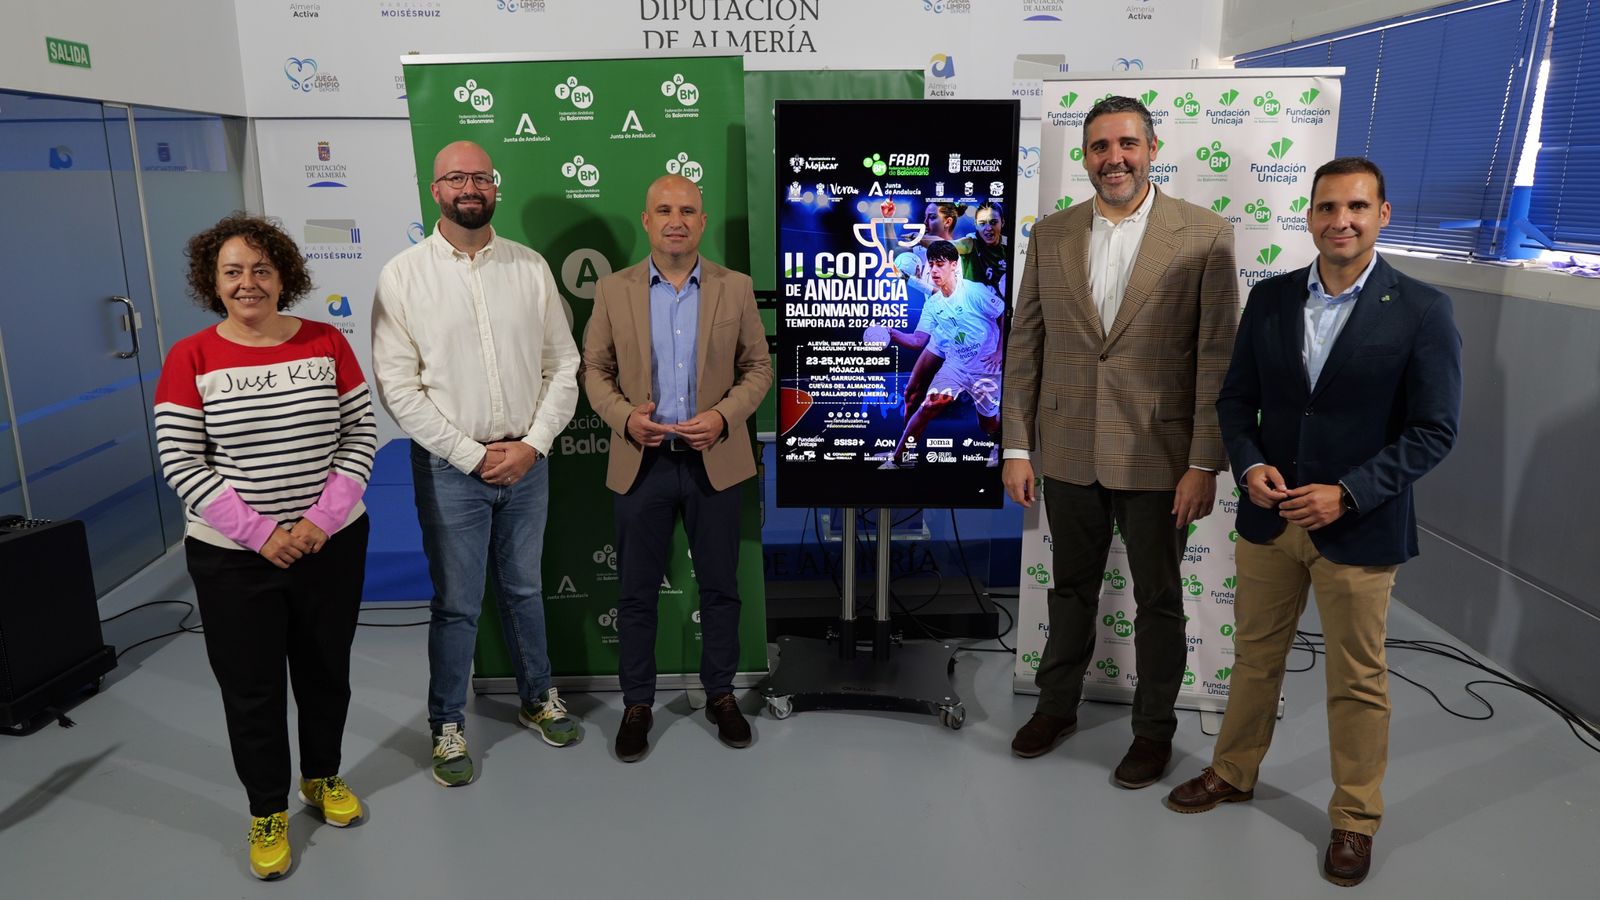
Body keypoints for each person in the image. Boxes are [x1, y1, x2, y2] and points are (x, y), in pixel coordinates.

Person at [1165, 157, 1462, 888]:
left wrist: (1349, 494)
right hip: (1270, 521)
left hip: (1357, 529)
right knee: (1254, 659)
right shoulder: (1270, 299)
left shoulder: (1423, 309)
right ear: (1310, 215)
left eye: (1357, 207)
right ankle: (1233, 771)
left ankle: (1355, 818)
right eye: (1327, 207)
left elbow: (1434, 431)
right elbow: (1236, 401)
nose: (1341, 221)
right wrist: (1248, 465)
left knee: (1357, 678)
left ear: (1382, 214)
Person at [1000, 96, 1239, 787]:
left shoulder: (1204, 234)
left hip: (1159, 457)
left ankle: (1153, 731)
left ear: (1152, 149)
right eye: (1101, 146)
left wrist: (1203, 462)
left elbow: (1217, 357)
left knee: (1158, 601)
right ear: (1086, 157)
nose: (1115, 158)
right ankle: (1056, 707)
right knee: (1070, 590)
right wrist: (1017, 447)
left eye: (1128, 144)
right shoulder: (1051, 234)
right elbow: (1026, 343)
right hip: (1068, 447)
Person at [154, 213, 377, 880]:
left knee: (325, 672)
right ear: (213, 281)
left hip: (329, 544)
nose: (247, 282)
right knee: (251, 690)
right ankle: (267, 809)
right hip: (232, 557)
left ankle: (322, 775)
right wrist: (261, 534)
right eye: (233, 271)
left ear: (284, 277)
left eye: (261, 269)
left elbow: (360, 434)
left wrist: (319, 521)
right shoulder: (190, 357)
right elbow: (181, 460)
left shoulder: (325, 341)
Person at [371, 140, 582, 788]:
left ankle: (537, 696)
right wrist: (470, 454)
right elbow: (398, 388)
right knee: (458, 605)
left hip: (528, 462)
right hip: (448, 469)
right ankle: (446, 723)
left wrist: (532, 445)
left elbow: (563, 366)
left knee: (525, 592)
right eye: (456, 178)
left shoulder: (529, 268)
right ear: (436, 190)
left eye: (480, 177)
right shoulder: (402, 276)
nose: (470, 187)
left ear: (495, 186)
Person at [580, 173, 773, 762]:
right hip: (643, 464)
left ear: (702, 222)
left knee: (720, 589)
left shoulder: (735, 288)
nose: (676, 221)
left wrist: (722, 417)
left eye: (687, 210)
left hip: (715, 460)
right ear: (646, 221)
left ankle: (721, 694)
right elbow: (594, 371)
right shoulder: (613, 291)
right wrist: (623, 419)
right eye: (663, 210)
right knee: (636, 594)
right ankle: (637, 703)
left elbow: (758, 369)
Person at [879, 240, 1004, 469]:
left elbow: (1004, 314)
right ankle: (898, 460)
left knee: (988, 424)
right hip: (955, 363)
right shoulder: (932, 304)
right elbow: (917, 340)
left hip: (985, 367)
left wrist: (999, 351)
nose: (934, 270)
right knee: (929, 405)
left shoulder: (974, 291)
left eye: (940, 264)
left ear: (954, 265)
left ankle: (999, 442)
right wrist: (891, 333)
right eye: (932, 265)